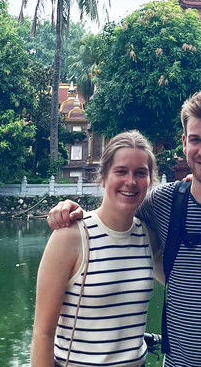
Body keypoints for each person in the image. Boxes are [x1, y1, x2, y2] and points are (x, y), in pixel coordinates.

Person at [46, 90, 201, 367]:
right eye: (196, 140)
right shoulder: (164, 202)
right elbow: (115, 214)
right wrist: (70, 209)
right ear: (185, 144)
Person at [32, 130, 157, 367]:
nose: (131, 181)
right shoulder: (70, 235)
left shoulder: (148, 235)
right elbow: (42, 333)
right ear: (103, 177)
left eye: (140, 173)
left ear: (150, 180)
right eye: (121, 171)